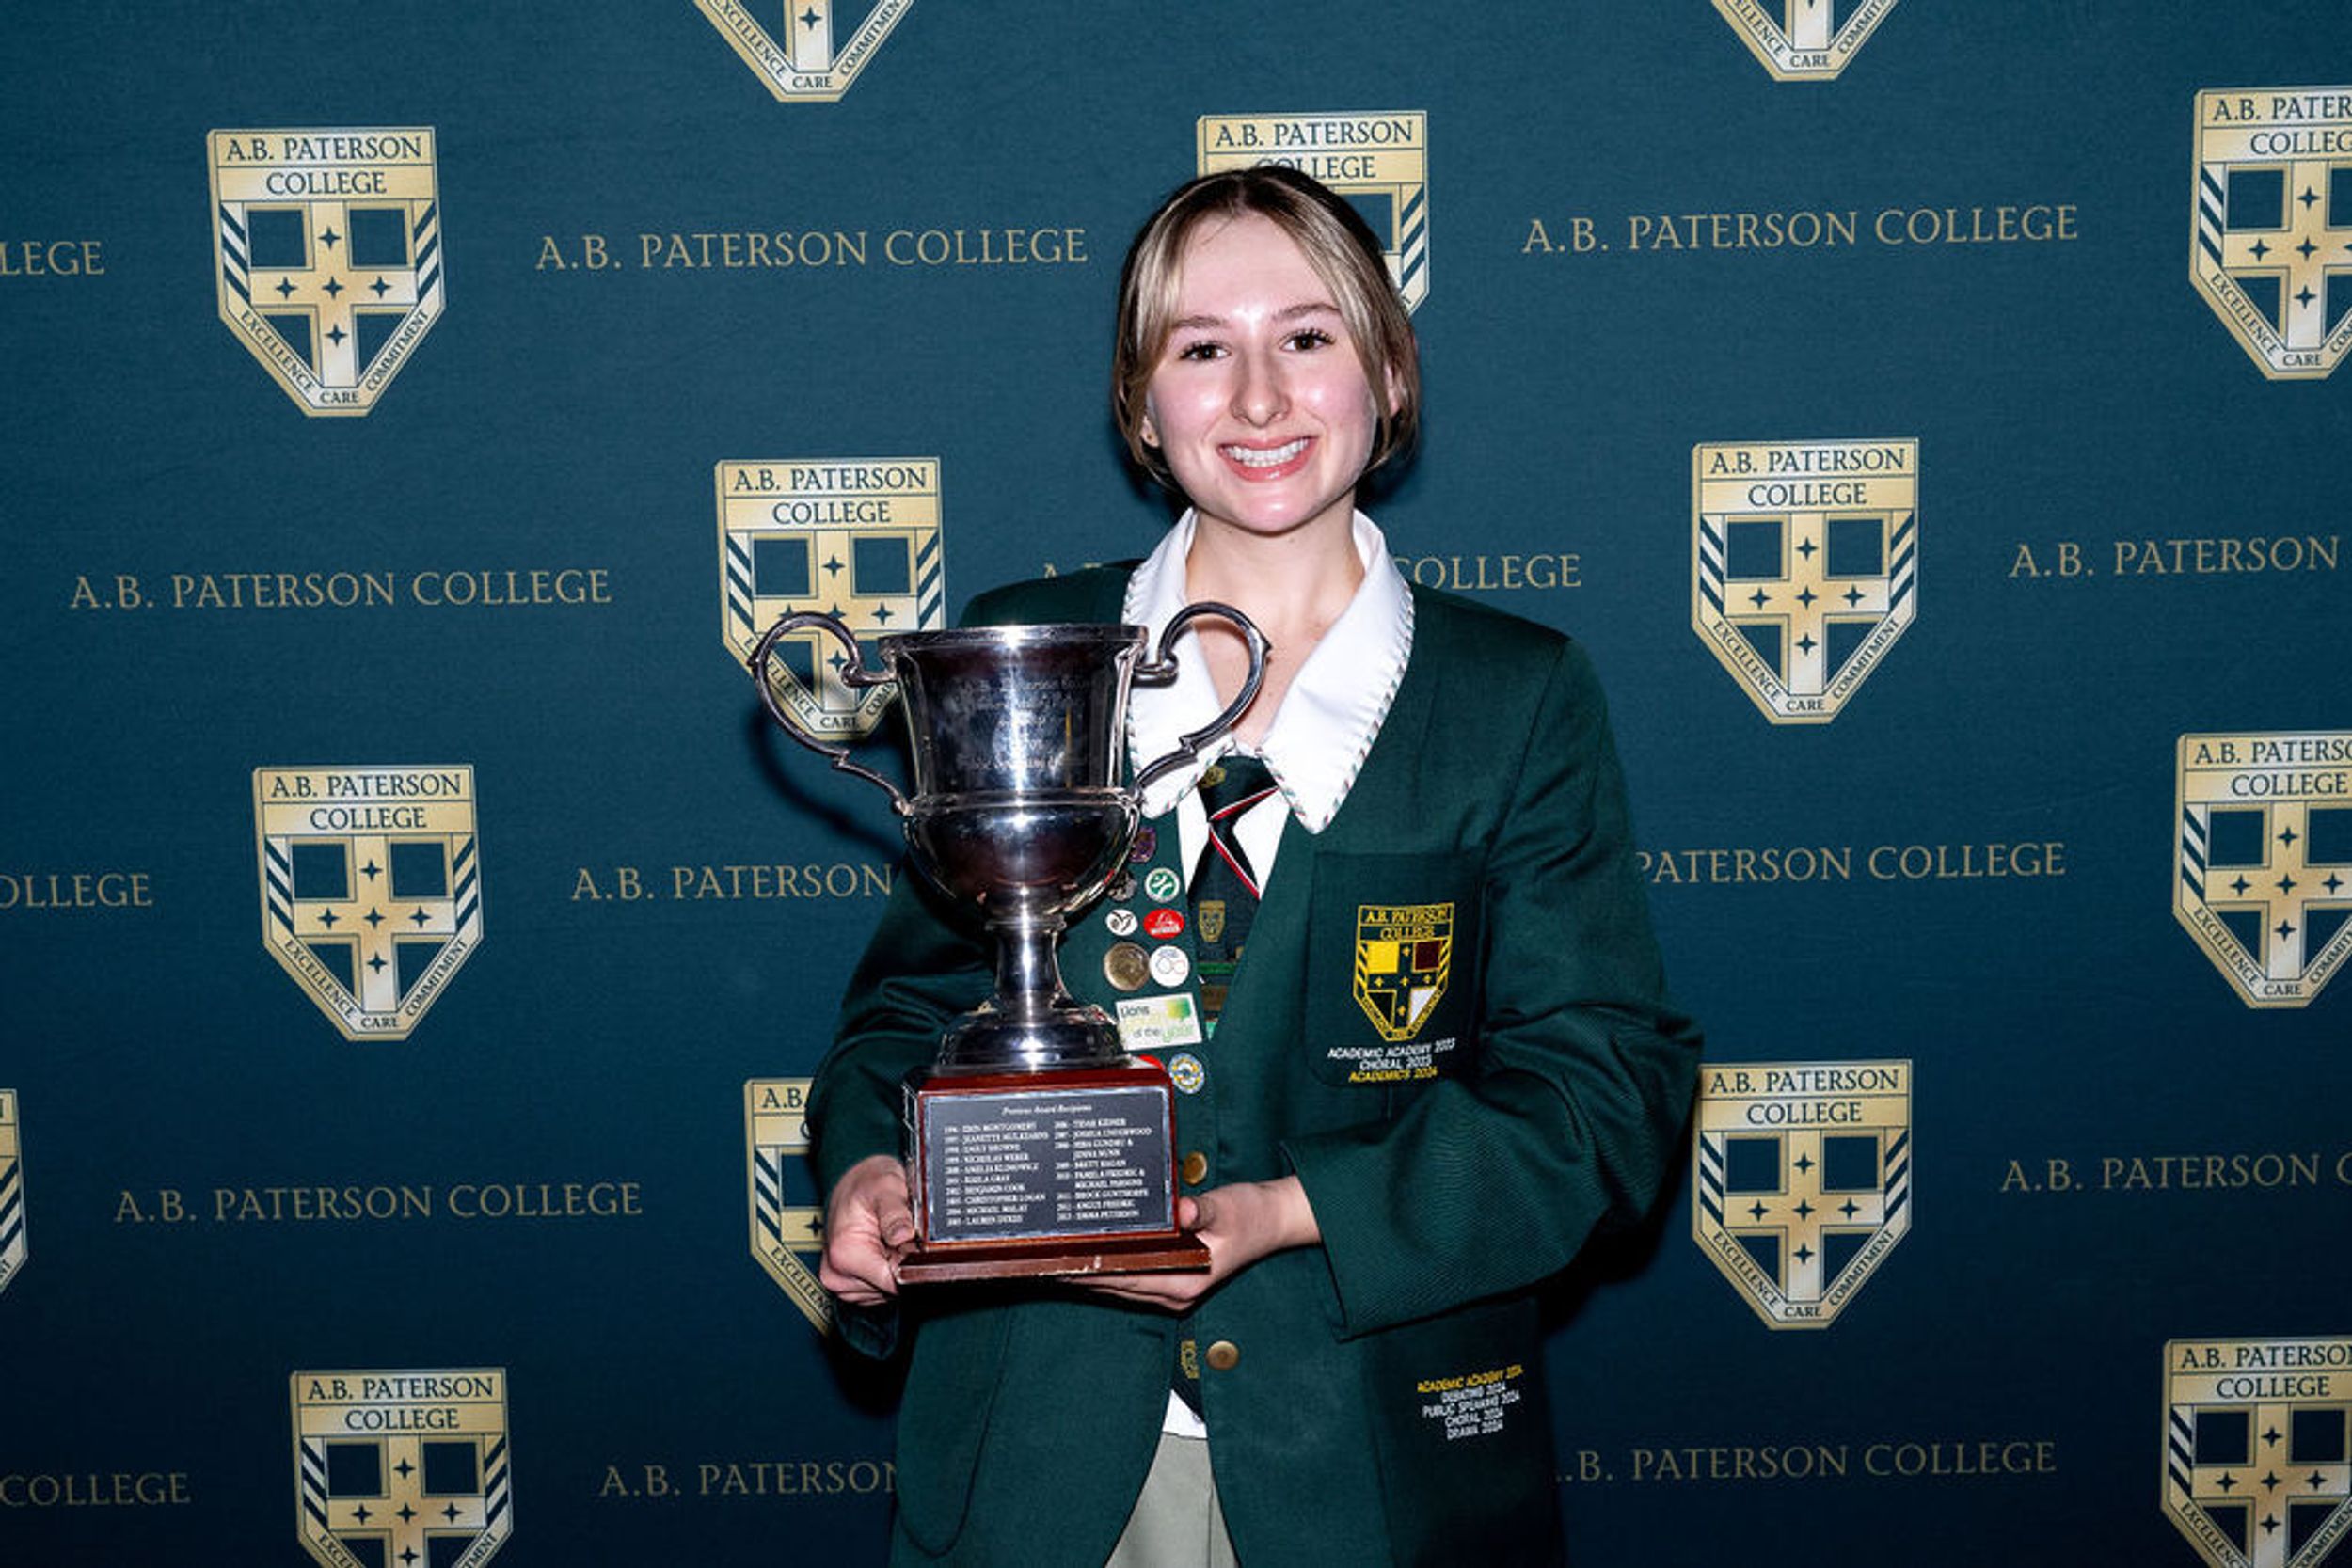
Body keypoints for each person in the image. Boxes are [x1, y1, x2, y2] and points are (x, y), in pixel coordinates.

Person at [809, 165, 1701, 1567]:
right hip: (1038, 1458)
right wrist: (872, 1163)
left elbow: (1603, 1097)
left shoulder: (1514, 697)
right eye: (1201, 349)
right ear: (1140, 403)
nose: (1261, 399)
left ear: (1388, 373)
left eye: (1307, 336)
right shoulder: (1025, 646)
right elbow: (909, 1014)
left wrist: (1293, 1211)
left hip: (1372, 1465)